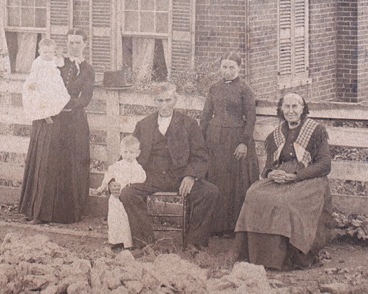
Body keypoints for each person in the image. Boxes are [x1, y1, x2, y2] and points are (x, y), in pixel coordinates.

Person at [234, 93, 332, 270]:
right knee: (253, 194)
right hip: (281, 178)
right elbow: (268, 166)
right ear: (281, 109)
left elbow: (325, 164)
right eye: (286, 107)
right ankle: (254, 255)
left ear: (303, 109)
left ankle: (286, 257)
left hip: (308, 178)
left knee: (284, 201)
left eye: (295, 106)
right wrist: (271, 174)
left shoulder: (316, 131)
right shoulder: (276, 135)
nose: (291, 111)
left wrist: (296, 175)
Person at [119, 83, 220, 251]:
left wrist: (191, 176)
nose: (164, 105)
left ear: (175, 100)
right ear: (154, 101)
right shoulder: (143, 125)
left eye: (168, 100)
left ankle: (194, 242)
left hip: (180, 178)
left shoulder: (189, 124)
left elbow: (201, 156)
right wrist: (115, 179)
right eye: (160, 101)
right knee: (128, 193)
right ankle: (146, 242)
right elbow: (127, 152)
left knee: (210, 192)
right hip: (150, 177)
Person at [19, 28, 95, 224]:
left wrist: (66, 103)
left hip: (73, 122)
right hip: (51, 118)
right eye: (71, 42)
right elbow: (40, 82)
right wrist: (48, 105)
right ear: (66, 43)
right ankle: (39, 213)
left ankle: (67, 215)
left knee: (70, 165)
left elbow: (85, 98)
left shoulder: (88, 69)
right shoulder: (55, 62)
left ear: (85, 44)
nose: (74, 46)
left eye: (78, 42)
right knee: (47, 163)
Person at [200, 52, 259, 236]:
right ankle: (214, 226)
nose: (227, 71)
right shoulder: (213, 88)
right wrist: (200, 140)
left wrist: (244, 143)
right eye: (224, 67)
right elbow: (205, 115)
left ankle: (232, 227)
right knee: (216, 179)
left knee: (234, 183)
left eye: (231, 67)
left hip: (235, 139)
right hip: (214, 139)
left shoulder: (245, 90)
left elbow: (250, 119)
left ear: (239, 68)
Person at [96, 135, 146, 249]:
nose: (128, 155)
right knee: (114, 218)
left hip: (125, 197)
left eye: (132, 152)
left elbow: (142, 178)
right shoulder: (117, 166)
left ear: (137, 153)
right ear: (121, 151)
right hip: (115, 198)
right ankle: (115, 241)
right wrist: (103, 186)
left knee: (125, 218)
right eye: (125, 152)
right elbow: (108, 176)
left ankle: (127, 243)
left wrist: (131, 183)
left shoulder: (137, 167)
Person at [22, 38, 70, 124]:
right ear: (39, 51)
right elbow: (33, 73)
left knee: (59, 96)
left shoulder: (54, 59)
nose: (48, 55)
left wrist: (59, 56)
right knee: (42, 98)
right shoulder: (38, 61)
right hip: (42, 82)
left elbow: (61, 64)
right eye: (45, 52)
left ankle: (55, 110)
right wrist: (32, 82)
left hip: (54, 82)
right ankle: (45, 114)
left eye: (50, 52)